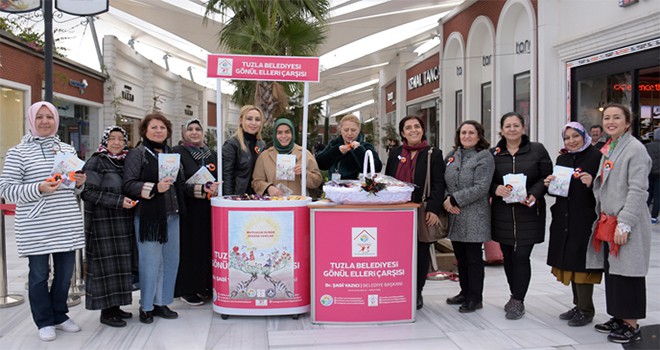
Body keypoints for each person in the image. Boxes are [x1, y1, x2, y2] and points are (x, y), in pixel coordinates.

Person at [0, 101, 86, 341]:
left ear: (56, 120)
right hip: (35, 225)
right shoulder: (18, 152)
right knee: (38, 275)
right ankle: (44, 320)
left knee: (64, 273)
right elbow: (6, 189)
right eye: (40, 117)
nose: (45, 121)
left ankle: (59, 314)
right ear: (31, 120)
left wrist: (80, 183)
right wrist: (38, 188)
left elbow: (74, 188)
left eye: (49, 117)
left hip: (65, 222)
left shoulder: (67, 150)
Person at [586, 103, 652, 344]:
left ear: (627, 123)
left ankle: (631, 323)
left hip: (626, 221)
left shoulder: (635, 150)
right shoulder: (611, 147)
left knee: (629, 272)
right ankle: (618, 316)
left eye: (617, 118)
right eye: (607, 118)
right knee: (613, 271)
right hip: (608, 220)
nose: (610, 122)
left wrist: (625, 222)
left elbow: (638, 189)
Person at [123, 113, 189, 324]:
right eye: (154, 127)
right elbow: (129, 184)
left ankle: (162, 302)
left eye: (162, 127)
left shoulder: (172, 154)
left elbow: (182, 184)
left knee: (171, 261)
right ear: (145, 131)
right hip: (149, 218)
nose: (159, 130)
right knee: (150, 263)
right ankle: (146, 306)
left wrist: (203, 188)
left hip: (173, 215)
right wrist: (153, 188)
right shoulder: (138, 153)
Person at [490, 112, 553, 320]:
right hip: (503, 213)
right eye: (507, 126)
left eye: (516, 125)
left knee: (521, 256)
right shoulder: (494, 153)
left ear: (523, 128)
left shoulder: (537, 150)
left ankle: (518, 299)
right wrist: (495, 189)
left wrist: (534, 193)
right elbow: (485, 181)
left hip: (529, 211)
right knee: (508, 257)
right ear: (501, 130)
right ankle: (513, 293)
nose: (512, 129)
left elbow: (546, 177)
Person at [544, 122, 603, 327]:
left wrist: (591, 183)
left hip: (584, 218)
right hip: (564, 218)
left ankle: (586, 309)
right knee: (569, 262)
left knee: (582, 264)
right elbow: (560, 190)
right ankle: (578, 305)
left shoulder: (596, 157)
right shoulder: (563, 158)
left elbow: (605, 188)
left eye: (575, 136)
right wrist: (550, 185)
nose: (571, 141)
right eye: (567, 138)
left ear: (584, 136)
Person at [385, 115, 444, 310]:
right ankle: (398, 288)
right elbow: (388, 181)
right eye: (408, 127)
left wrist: (434, 209)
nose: (413, 130)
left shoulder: (433, 153)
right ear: (402, 133)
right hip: (398, 211)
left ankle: (417, 291)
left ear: (422, 129)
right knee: (397, 251)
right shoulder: (395, 153)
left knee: (420, 251)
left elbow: (438, 184)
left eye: (417, 126)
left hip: (421, 209)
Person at [81, 126, 138, 327]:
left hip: (122, 223)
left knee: (120, 266)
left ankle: (116, 307)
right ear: (105, 141)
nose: (116, 142)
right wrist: (119, 201)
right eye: (112, 139)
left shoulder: (125, 161)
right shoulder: (97, 161)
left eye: (120, 139)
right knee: (105, 267)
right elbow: (88, 193)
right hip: (102, 224)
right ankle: (106, 312)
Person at [443, 121, 495, 313]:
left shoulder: (484, 157)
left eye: (471, 133)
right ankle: (464, 292)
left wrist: (455, 199)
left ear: (479, 135)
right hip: (454, 215)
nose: (467, 136)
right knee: (461, 257)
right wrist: (446, 200)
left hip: (474, 215)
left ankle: (475, 297)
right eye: (463, 132)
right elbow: (442, 180)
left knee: (473, 258)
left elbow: (482, 187)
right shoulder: (452, 155)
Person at [173, 119, 219, 306]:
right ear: (184, 132)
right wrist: (198, 189)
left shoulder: (211, 154)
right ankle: (188, 289)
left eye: (198, 129)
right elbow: (176, 183)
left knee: (206, 247)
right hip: (189, 208)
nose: (194, 132)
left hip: (208, 208)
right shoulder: (178, 152)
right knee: (190, 248)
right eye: (190, 129)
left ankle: (204, 286)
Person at [252, 118, 323, 196]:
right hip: (273, 204)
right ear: (275, 134)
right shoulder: (264, 156)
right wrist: (268, 188)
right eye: (279, 132)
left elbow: (317, 181)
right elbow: (256, 182)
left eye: (287, 132)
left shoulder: (304, 154)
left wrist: (305, 173)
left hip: (297, 204)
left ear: (292, 133)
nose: (283, 136)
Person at [316, 114, 382, 180]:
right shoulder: (334, 144)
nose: (349, 133)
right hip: (334, 187)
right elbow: (321, 164)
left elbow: (377, 167)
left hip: (356, 188)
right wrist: (336, 151)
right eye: (346, 130)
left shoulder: (366, 146)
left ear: (359, 130)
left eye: (353, 130)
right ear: (341, 130)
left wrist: (359, 151)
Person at [222, 105, 266, 196]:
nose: (253, 123)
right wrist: (229, 199)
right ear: (241, 121)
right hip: (238, 197)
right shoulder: (232, 144)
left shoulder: (261, 144)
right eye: (249, 119)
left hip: (257, 197)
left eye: (257, 119)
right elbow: (227, 176)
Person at [645, 128, 660, 224]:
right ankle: (653, 217)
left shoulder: (647, 146)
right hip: (659, 174)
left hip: (648, 172)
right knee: (658, 196)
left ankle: (645, 213)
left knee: (648, 193)